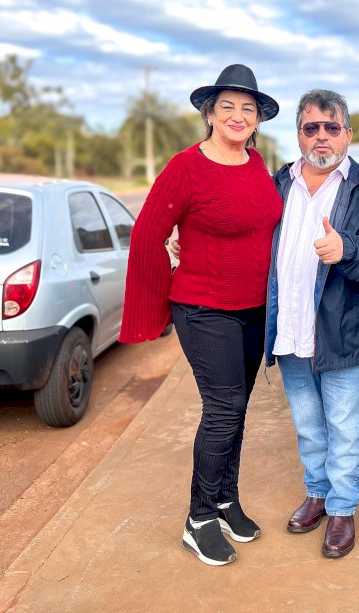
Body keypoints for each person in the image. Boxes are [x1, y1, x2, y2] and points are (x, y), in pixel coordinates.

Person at [119, 64, 282, 567]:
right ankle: (199, 519)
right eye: (227, 106)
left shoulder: (256, 164)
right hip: (204, 309)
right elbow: (148, 233)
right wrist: (158, 302)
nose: (238, 116)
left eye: (248, 109)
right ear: (209, 113)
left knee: (238, 408)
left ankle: (226, 499)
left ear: (257, 122)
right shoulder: (185, 167)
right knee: (223, 408)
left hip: (254, 309)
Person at [265, 89, 359, 559]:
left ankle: (342, 508)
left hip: (343, 332)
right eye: (311, 127)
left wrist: (348, 250)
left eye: (331, 127)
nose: (321, 136)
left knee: (343, 425)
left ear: (348, 134)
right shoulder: (280, 182)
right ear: (298, 133)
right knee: (307, 424)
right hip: (290, 328)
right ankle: (317, 494)